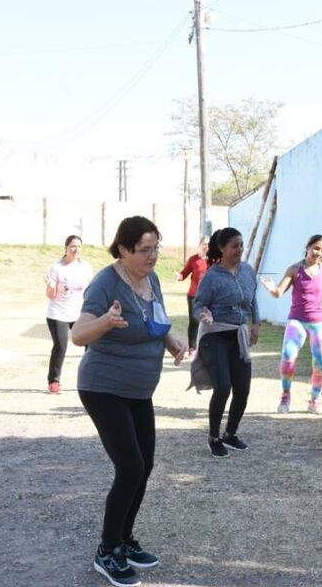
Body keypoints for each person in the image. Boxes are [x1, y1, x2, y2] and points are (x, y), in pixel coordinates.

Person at [72, 216, 187, 587]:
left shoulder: (150, 279)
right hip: (104, 388)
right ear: (123, 250)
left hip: (140, 390)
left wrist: (171, 342)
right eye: (144, 250)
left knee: (146, 465)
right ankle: (107, 551)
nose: (152, 256)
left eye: (156, 247)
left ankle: (124, 539)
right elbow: (77, 334)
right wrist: (106, 321)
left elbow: (157, 320)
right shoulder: (106, 283)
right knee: (131, 467)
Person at [261, 234, 322, 415]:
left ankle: (314, 401)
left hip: (321, 322)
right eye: (316, 248)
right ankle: (285, 397)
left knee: (321, 364)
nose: (319, 253)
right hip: (297, 321)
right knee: (288, 359)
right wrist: (270, 288)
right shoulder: (294, 269)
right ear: (308, 247)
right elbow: (279, 293)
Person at [192, 227, 260, 458]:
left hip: (238, 335)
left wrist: (256, 324)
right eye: (234, 246)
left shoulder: (248, 272)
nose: (239, 249)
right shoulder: (212, 276)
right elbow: (198, 305)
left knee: (243, 389)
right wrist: (205, 315)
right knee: (223, 387)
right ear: (222, 248)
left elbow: (254, 300)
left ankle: (230, 433)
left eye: (241, 245)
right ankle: (214, 437)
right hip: (215, 334)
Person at [45, 235, 93, 394]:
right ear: (66, 248)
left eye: (79, 246)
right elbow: (50, 295)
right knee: (61, 346)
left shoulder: (85, 267)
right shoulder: (57, 267)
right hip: (58, 313)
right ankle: (54, 381)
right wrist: (51, 287)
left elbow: (91, 290)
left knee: (90, 345)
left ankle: (90, 378)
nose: (76, 249)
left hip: (79, 313)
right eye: (73, 246)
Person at [176, 236, 209, 358]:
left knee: (208, 323)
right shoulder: (194, 259)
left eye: (209, 244)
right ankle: (192, 348)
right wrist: (179, 276)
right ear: (200, 245)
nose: (206, 246)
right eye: (204, 244)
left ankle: (206, 347)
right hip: (194, 295)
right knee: (195, 321)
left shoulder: (215, 260)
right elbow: (184, 274)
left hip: (209, 297)